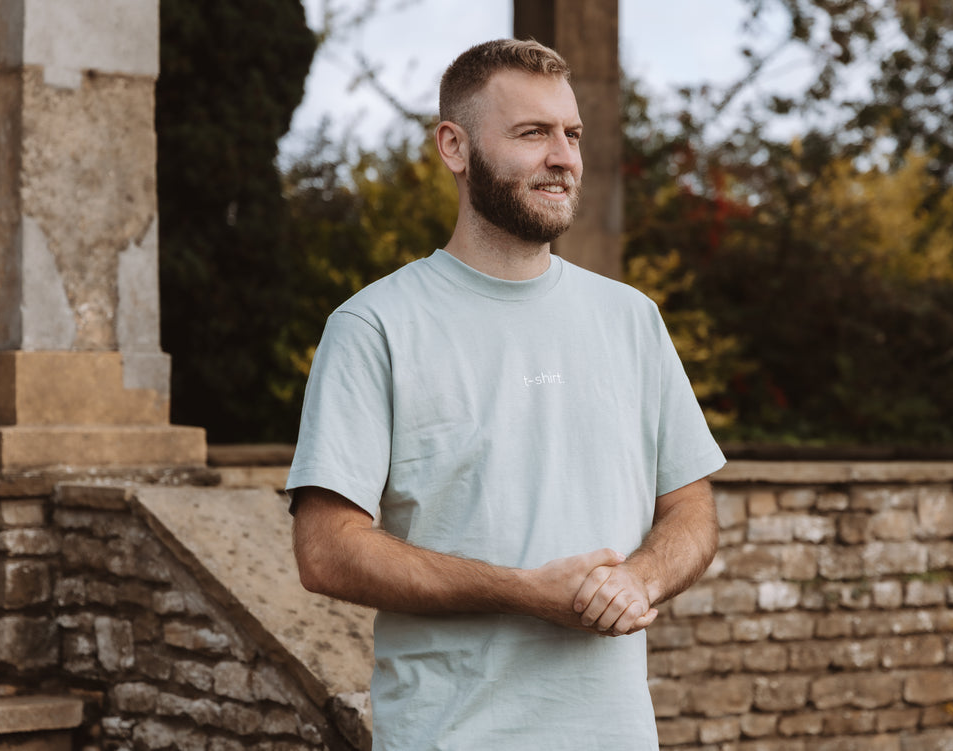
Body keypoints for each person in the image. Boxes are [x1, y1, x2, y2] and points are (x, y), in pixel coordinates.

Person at [287, 38, 725, 751]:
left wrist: (640, 578)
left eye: (571, 134)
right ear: (454, 147)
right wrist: (526, 590)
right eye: (533, 133)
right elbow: (326, 548)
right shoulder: (374, 326)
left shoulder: (632, 319)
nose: (563, 157)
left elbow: (692, 507)